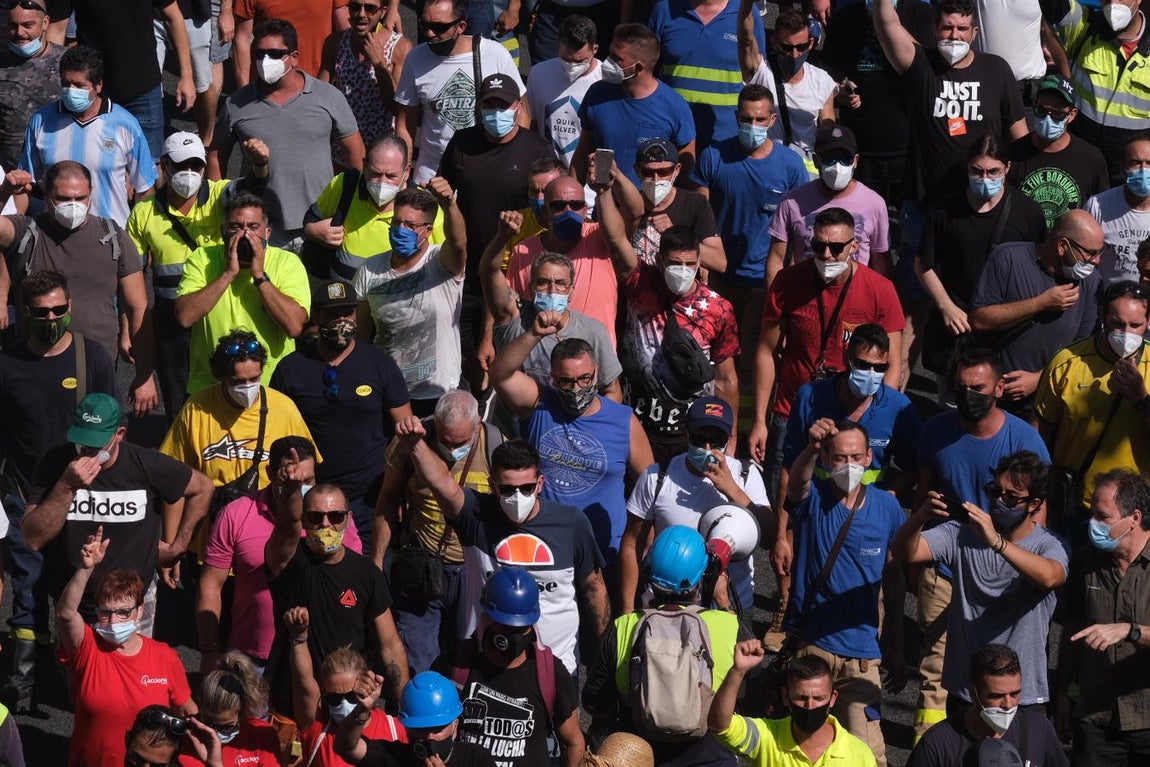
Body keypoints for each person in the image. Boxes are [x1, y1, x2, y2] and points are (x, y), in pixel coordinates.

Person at [913, 348, 1050, 739]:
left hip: (1004, 570)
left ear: (999, 388)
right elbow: (925, 494)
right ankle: (933, 750)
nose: (969, 395)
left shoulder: (1023, 438)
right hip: (946, 562)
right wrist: (914, 564)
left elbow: (1038, 510)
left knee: (998, 667)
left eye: (978, 388)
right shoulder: (936, 431)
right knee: (936, 667)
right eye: (962, 387)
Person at [399, 427, 609, 676]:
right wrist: (415, 445)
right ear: (492, 486)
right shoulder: (475, 515)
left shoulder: (571, 523)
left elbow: (594, 589)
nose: (517, 497)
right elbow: (441, 482)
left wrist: (606, 656)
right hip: (487, 662)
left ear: (540, 484)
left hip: (555, 665)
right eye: (507, 489)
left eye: (526, 488)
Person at [0, 269, 117, 713]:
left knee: (78, 584)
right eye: (41, 312)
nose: (51, 318)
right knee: (28, 589)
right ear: (24, 313)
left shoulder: (94, 358)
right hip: (25, 492)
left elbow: (112, 428)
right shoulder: (8, 364)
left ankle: (83, 677)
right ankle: (26, 684)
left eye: (59, 309)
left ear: (70, 306)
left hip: (83, 493)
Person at [749, 208, 904, 502]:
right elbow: (766, 352)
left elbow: (892, 364)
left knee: (850, 506)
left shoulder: (880, 290)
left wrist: (875, 413)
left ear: (854, 246)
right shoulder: (787, 282)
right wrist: (759, 419)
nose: (827, 255)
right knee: (788, 501)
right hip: (793, 409)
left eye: (836, 247)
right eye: (818, 247)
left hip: (853, 412)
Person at [22, 392, 213, 630]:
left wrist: (178, 547)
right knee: (77, 667)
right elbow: (32, 538)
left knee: (134, 667)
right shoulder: (55, 464)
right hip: (74, 601)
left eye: (96, 443)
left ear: (119, 435)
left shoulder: (146, 464)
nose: (87, 451)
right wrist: (66, 487)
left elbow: (203, 488)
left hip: (132, 604)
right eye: (82, 441)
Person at [895, 452, 1069, 712]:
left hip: (1020, 697)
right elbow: (905, 552)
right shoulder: (961, 533)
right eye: (994, 491)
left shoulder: (1049, 544)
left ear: (1034, 504)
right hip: (967, 689)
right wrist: (919, 517)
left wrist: (997, 543)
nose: (998, 501)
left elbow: (1050, 576)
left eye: (1010, 497)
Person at [783, 419, 907, 766]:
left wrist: (896, 648)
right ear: (825, 458)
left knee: (868, 755)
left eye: (855, 456)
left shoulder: (888, 508)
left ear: (869, 457)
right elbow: (796, 485)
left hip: (862, 658)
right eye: (838, 457)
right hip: (813, 649)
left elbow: (894, 580)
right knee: (805, 751)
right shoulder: (813, 501)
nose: (848, 465)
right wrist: (808, 447)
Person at [491, 328, 655, 585]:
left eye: (584, 379)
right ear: (552, 378)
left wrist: (645, 541)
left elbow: (649, 486)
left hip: (604, 555)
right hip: (543, 551)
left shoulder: (623, 420)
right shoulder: (539, 404)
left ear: (597, 374)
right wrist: (534, 333)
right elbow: (500, 373)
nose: (576, 388)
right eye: (566, 381)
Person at [127, 131, 271, 418]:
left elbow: (251, 189)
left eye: (196, 166)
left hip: (218, 316)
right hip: (173, 326)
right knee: (180, 407)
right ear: (164, 166)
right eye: (181, 166)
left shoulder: (220, 196)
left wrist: (259, 165)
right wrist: (128, 332)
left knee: (231, 396)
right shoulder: (143, 213)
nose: (189, 173)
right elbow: (131, 283)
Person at [597, 180, 740, 464]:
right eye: (675, 264)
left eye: (690, 264)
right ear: (660, 261)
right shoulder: (640, 282)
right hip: (639, 425)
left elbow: (726, 379)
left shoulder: (718, 308)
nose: (682, 271)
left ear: (700, 262)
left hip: (691, 433)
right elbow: (615, 240)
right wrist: (602, 190)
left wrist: (731, 437)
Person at [0, 160, 157, 415]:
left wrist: (144, 375)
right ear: (47, 196)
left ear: (91, 194)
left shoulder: (112, 236)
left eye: (80, 197)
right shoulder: (26, 232)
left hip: (97, 368)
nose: (73, 205)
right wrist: (4, 192)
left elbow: (138, 306)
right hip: (34, 365)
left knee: (97, 446)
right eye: (63, 198)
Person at [198, 436, 363, 675]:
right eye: (290, 478)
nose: (300, 487)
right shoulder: (235, 514)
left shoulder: (332, 516)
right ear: (271, 473)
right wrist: (209, 649)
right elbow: (211, 584)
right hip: (253, 656)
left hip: (321, 654)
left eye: (308, 480)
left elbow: (354, 575)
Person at [583, 526, 742, 767]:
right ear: (702, 577)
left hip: (638, 756)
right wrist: (724, 601)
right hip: (712, 757)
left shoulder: (623, 627)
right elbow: (749, 692)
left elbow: (594, 699)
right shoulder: (729, 627)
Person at [271, 279, 412, 547]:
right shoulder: (290, 369)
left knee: (373, 573)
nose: (341, 321)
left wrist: (402, 489)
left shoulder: (380, 363)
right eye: (332, 315)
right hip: (314, 497)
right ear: (317, 317)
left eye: (346, 313)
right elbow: (277, 436)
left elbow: (404, 432)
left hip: (371, 496)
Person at [439, 72, 556, 394]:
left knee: (505, 355)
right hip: (466, 270)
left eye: (503, 104)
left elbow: (550, 205)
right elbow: (444, 194)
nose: (496, 112)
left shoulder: (537, 148)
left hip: (515, 274)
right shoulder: (462, 143)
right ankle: (471, 411)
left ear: (518, 106)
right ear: (478, 106)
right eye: (488, 104)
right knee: (465, 356)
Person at [209, 18, 364, 251]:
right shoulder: (236, 104)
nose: (265, 61)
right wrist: (224, 207)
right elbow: (216, 156)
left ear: (294, 57)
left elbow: (355, 154)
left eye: (274, 53)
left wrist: (347, 211)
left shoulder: (327, 96)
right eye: (259, 54)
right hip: (262, 228)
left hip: (320, 223)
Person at [377, 391, 503, 674]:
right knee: (418, 661)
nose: (449, 449)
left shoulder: (494, 446)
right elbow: (387, 500)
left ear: (477, 426)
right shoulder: (410, 443)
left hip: (472, 570)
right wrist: (377, 561)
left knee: (469, 657)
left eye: (459, 443)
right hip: (421, 563)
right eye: (444, 440)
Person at [687, 82, 808, 376]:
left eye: (759, 120)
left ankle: (753, 420)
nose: (752, 125)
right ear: (736, 116)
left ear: (772, 121)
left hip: (762, 282)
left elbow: (798, 231)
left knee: (756, 361)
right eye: (746, 118)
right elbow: (699, 217)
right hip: (718, 279)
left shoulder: (791, 166)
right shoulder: (713, 157)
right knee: (715, 360)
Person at [264, 473, 409, 716]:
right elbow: (286, 528)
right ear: (303, 520)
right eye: (314, 517)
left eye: (336, 516)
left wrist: (405, 705)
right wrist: (290, 492)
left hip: (349, 701)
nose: (326, 524)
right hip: (295, 701)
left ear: (348, 519)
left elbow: (390, 644)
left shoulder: (367, 573)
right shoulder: (287, 562)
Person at [917, 132, 1047, 396]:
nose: (984, 179)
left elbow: (1040, 267)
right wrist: (946, 307)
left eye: (993, 172)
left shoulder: (1027, 213)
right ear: (968, 167)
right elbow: (924, 263)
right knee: (954, 404)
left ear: (1007, 168)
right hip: (959, 329)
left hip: (1007, 333)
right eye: (977, 171)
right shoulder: (944, 212)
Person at [623, 396, 771, 615]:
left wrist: (732, 490)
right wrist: (627, 611)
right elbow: (632, 545)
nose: (708, 448)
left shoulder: (746, 476)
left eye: (717, 440)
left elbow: (769, 537)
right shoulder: (657, 477)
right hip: (668, 606)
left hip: (730, 604)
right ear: (687, 435)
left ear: (730, 438)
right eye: (700, 439)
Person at [57, 532, 195, 767]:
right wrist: (85, 568)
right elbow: (66, 613)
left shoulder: (164, 656)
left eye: (123, 612)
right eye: (105, 612)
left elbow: (187, 712)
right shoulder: (87, 647)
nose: (113, 622)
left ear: (139, 611)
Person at [1033, 280, 1150, 528]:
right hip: (1075, 504)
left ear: (1148, 323)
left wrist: (1141, 400)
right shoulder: (1068, 362)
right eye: (1117, 324)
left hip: (1136, 513)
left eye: (1136, 325)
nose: (1126, 333)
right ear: (1102, 317)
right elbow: (1038, 435)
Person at [969, 209, 1104, 417]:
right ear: (1062, 246)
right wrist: (1039, 304)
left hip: (1046, 406)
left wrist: (1040, 379)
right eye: (1090, 253)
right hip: (993, 402)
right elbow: (979, 319)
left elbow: (1082, 350)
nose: (1096, 261)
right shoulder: (1009, 258)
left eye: (1099, 252)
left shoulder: (1091, 283)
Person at [1056, 468, 1150, 766]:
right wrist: (1061, 693)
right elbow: (1072, 631)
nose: (1092, 524)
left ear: (1134, 518)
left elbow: (1128, 631)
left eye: (1102, 517)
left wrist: (1130, 631)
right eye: (1091, 514)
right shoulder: (1086, 561)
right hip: (1096, 720)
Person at [351, 179, 466, 417]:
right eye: (396, 222)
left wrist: (450, 204)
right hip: (389, 391)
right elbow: (361, 334)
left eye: (410, 225)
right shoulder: (370, 269)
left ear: (428, 230)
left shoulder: (440, 262)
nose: (400, 229)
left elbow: (459, 243)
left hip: (436, 394)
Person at [175, 192, 310, 392]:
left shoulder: (287, 263)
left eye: (253, 227)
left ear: (268, 233)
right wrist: (228, 273)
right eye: (236, 227)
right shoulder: (202, 259)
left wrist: (259, 275)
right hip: (211, 388)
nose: (244, 234)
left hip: (270, 388)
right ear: (223, 231)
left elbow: (294, 326)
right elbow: (185, 317)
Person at [452, 566, 585, 767]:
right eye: (504, 625)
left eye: (519, 627)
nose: (512, 635)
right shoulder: (456, 664)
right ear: (485, 617)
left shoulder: (550, 672)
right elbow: (429, 734)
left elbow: (573, 742)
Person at [160, 331, 318, 496]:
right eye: (238, 382)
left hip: (268, 515)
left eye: (254, 379)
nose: (247, 387)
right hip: (214, 515)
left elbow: (310, 474)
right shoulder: (197, 408)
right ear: (219, 376)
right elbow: (172, 471)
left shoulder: (284, 407)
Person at [481, 219, 623, 402]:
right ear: (531, 287)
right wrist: (502, 237)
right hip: (516, 427)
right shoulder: (513, 315)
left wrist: (594, 427)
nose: (551, 290)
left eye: (560, 283)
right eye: (543, 282)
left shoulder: (593, 330)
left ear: (571, 291)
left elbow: (612, 390)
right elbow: (489, 272)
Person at [19, 45, 155, 226]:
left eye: (79, 85)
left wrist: (143, 240)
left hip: (111, 237)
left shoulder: (126, 125)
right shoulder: (41, 121)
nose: (70, 91)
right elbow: (24, 184)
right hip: (55, 237)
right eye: (66, 84)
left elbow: (144, 189)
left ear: (98, 85)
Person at [394, 0, 525, 185]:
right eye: (425, 26)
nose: (430, 34)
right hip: (431, 178)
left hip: (483, 175)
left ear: (461, 26)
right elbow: (405, 125)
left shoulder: (494, 54)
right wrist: (402, 177)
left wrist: (512, 164)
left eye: (439, 27)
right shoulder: (415, 59)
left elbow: (522, 111)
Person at [708, 641, 878, 767]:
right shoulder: (766, 737)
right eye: (801, 698)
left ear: (833, 699)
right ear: (785, 696)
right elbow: (721, 725)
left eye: (818, 699)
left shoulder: (860, 755)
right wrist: (737, 672)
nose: (810, 706)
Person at [64, 0, 197, 160]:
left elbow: (174, 17)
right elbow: (57, 29)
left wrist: (187, 76)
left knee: (151, 164)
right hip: (94, 93)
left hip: (143, 89)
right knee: (95, 161)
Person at [304, 134, 446, 281]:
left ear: (407, 171)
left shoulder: (425, 206)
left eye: (391, 176)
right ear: (365, 165)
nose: (382, 182)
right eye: (375, 174)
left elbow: (445, 262)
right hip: (344, 298)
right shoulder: (345, 185)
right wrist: (313, 231)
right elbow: (312, 218)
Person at [571, 23, 696, 187]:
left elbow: (686, 167)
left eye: (617, 59)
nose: (608, 62)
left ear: (638, 67)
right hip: (606, 202)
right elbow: (582, 154)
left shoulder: (675, 107)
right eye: (610, 55)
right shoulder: (597, 93)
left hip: (652, 207)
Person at [503, 175, 622, 345]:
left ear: (585, 209)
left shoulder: (601, 239)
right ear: (545, 212)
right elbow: (509, 304)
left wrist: (604, 190)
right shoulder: (522, 252)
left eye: (576, 205)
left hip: (594, 359)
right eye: (558, 206)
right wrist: (487, 339)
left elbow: (633, 214)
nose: (568, 212)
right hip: (538, 359)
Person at [907, 644, 1068, 767]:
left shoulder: (1038, 729)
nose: (1008, 704)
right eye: (996, 696)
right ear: (973, 692)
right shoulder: (938, 745)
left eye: (1015, 694)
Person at [1042, 0, 1150, 184]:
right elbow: (1055, 5)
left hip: (1130, 176)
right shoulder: (1084, 27)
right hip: (1078, 165)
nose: (1113, 4)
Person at [767, 122, 893, 279]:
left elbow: (881, 262)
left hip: (855, 297)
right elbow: (776, 259)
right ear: (815, 160)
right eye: (829, 159)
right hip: (805, 296)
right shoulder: (791, 201)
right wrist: (773, 301)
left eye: (845, 158)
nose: (837, 166)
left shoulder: (874, 203)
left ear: (855, 160)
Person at [284, 608, 405, 767]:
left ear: (368, 685)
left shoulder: (394, 729)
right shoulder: (318, 725)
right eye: (333, 699)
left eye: (352, 696)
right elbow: (303, 682)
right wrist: (299, 638)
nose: (343, 704)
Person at [650, 0, 767, 149]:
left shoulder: (747, 14)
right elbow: (648, 71)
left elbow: (758, 77)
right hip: (671, 133)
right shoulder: (664, 10)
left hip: (726, 139)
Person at [739, 7, 837, 171]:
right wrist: (746, 5)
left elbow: (828, 132)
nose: (795, 54)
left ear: (811, 43)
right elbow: (745, 39)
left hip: (805, 171)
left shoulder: (822, 81)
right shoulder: (761, 72)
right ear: (774, 42)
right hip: (765, 167)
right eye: (787, 47)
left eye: (801, 47)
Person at [334, 670, 496, 767]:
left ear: (455, 724)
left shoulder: (476, 759)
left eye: (438, 728)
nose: (429, 737)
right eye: (420, 729)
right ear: (406, 727)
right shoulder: (395, 757)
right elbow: (347, 748)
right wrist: (361, 710)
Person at [1008, 75, 1108, 230]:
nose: (1048, 118)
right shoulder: (1014, 154)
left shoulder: (1091, 158)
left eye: (1057, 113)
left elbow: (1101, 212)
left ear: (1072, 115)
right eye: (1042, 110)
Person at [318, 0, 411, 162]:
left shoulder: (400, 48)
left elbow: (398, 109)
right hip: (342, 151)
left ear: (382, 12)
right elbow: (320, 98)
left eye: (369, 8)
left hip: (381, 155)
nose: (361, 15)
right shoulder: (335, 43)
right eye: (355, 7)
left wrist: (379, 62)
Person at [621, 137, 725, 270]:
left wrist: (677, 234)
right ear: (637, 171)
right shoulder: (625, 206)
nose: (656, 179)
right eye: (648, 172)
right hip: (637, 286)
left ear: (676, 170)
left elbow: (720, 262)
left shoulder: (695, 205)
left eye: (664, 172)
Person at [524, 14, 603, 170]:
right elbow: (531, 124)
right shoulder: (538, 73)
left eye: (580, 61)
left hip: (589, 187)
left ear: (595, 49)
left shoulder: (607, 81)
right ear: (557, 44)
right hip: (547, 178)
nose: (572, 65)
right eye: (566, 59)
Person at [182, 652, 281, 767]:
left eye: (226, 727)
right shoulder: (190, 738)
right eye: (209, 724)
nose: (216, 734)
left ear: (242, 712)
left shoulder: (263, 734)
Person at [0, 0, 63, 172]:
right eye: (13, 26)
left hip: (60, 180)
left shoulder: (67, 63)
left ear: (45, 23)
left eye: (28, 25)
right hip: (12, 179)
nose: (20, 33)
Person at [233, 0, 349, 86]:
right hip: (267, 87)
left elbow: (346, 35)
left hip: (316, 86)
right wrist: (244, 90)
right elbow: (242, 38)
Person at [1085, 132, 1150, 284]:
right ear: (1122, 168)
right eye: (1135, 162)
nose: (1143, 170)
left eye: (1149, 163)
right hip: (1107, 301)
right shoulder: (1098, 206)